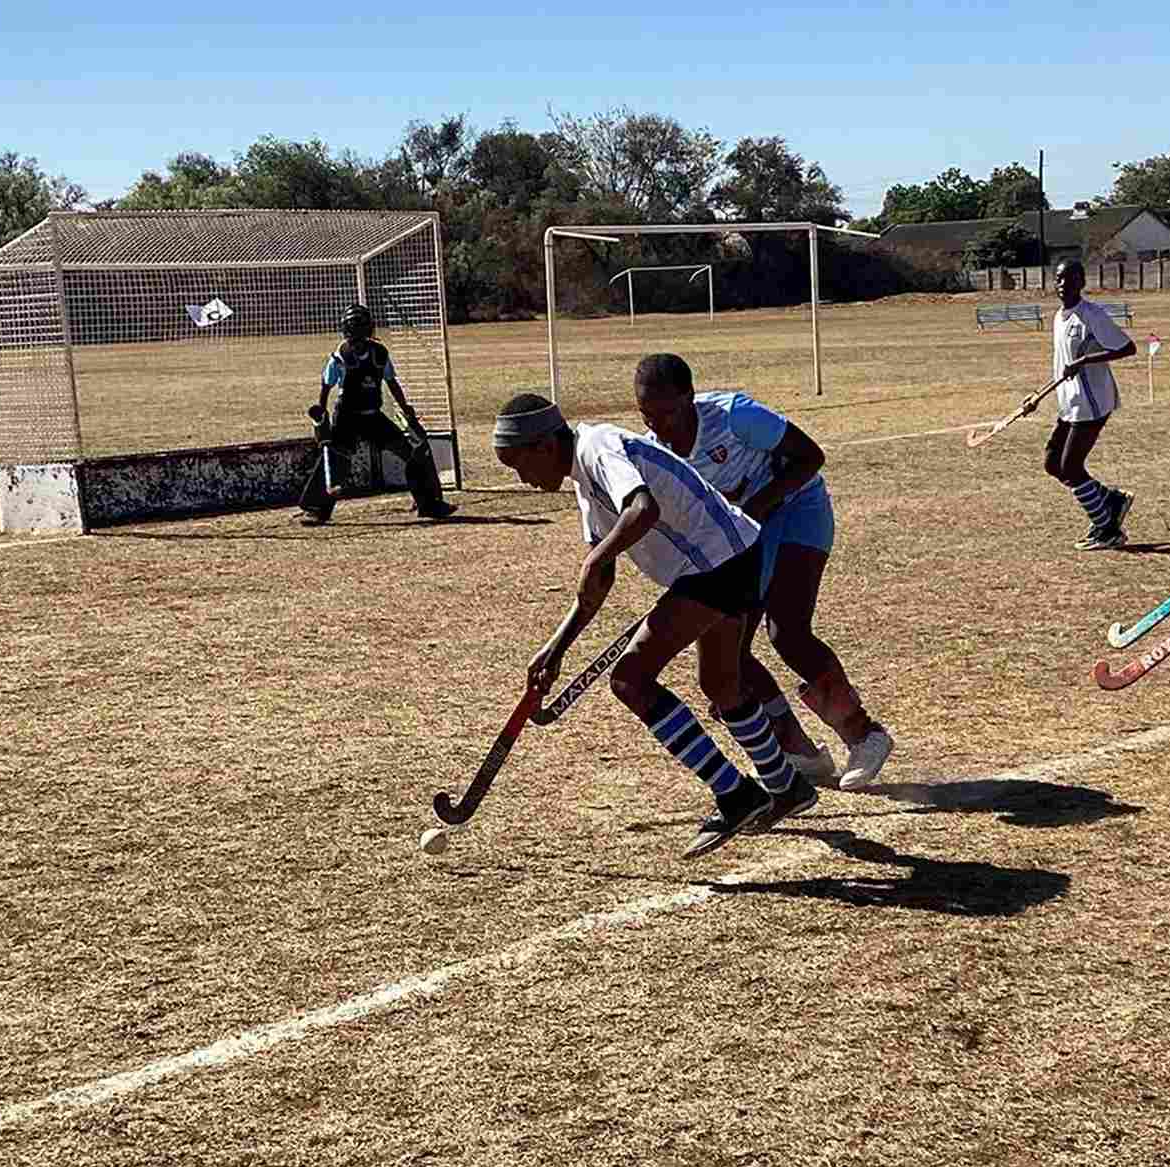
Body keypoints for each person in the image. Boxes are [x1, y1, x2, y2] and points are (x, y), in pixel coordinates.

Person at [492, 394, 816, 859]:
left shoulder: (597, 448)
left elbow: (643, 509)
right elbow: (599, 582)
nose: (522, 478)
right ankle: (786, 785)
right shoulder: (584, 482)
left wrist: (597, 556)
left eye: (519, 464)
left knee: (631, 678)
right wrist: (556, 648)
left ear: (543, 445)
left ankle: (735, 794)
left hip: (719, 564)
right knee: (720, 683)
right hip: (731, 555)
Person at [631, 353, 896, 791]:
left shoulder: (735, 417)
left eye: (668, 412)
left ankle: (864, 734)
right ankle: (798, 752)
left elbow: (810, 456)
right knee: (729, 654)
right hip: (744, 536)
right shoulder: (656, 455)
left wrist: (753, 508)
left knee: (786, 629)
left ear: (690, 398)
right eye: (647, 415)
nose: (659, 425)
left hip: (797, 509)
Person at [294, 304, 453, 525]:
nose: (357, 341)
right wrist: (322, 413)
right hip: (347, 417)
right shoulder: (340, 356)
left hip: (373, 416)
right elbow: (326, 385)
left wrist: (405, 407)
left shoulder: (379, 353)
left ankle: (429, 504)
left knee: (410, 453)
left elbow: (391, 382)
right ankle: (315, 509)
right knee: (336, 460)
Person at [1043, 258, 1138, 548]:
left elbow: (1127, 348)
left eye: (1070, 279)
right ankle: (1111, 500)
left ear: (1082, 282)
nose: (1063, 284)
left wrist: (1085, 360)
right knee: (1053, 463)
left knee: (1071, 467)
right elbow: (1062, 363)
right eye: (1059, 279)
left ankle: (1108, 530)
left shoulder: (1092, 315)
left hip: (1092, 402)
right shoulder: (1059, 317)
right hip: (1070, 403)